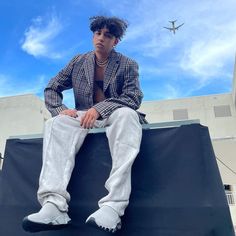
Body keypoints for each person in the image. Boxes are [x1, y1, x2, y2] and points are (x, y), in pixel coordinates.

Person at [22, 15, 146, 233]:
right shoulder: (78, 61)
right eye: (98, 34)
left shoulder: (128, 64)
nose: (101, 38)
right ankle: (54, 207)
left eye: (107, 35)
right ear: (93, 36)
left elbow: (133, 97)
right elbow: (52, 88)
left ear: (115, 41)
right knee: (56, 123)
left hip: (116, 113)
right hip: (84, 118)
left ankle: (112, 208)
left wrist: (100, 108)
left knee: (128, 115)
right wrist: (61, 110)